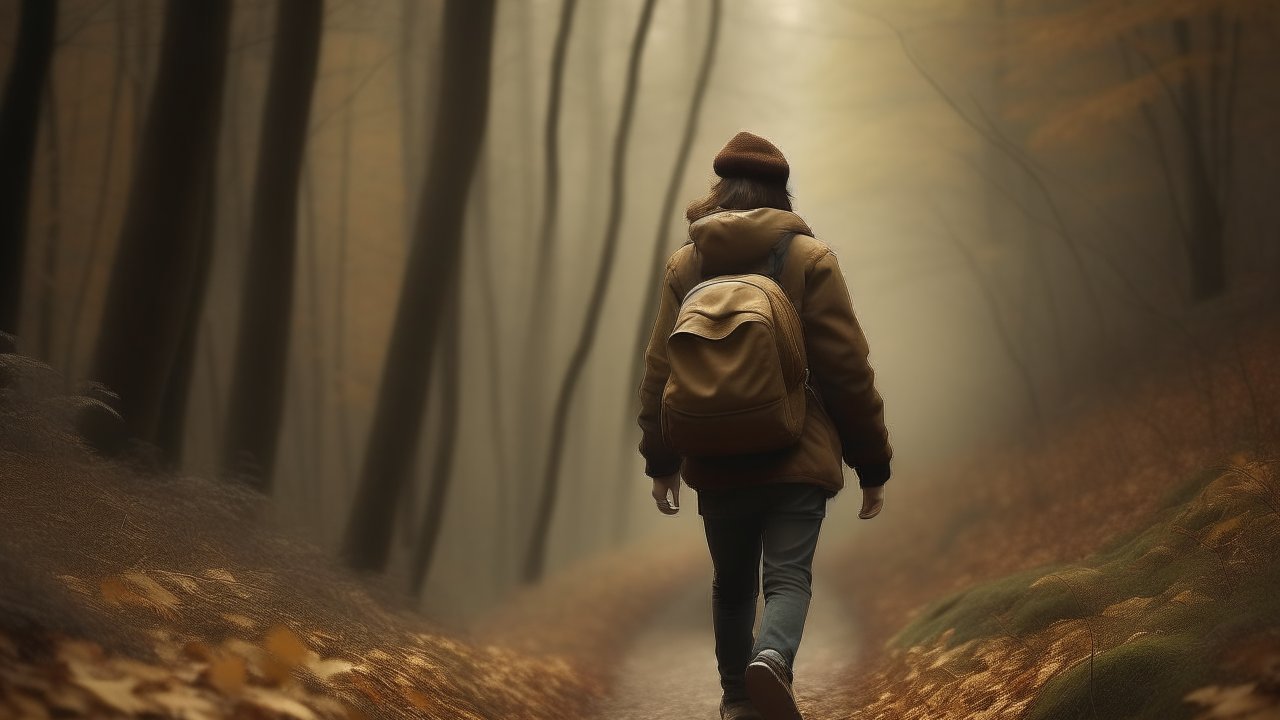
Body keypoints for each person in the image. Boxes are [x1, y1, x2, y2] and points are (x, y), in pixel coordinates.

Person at [636, 131, 893, 720]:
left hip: (715, 454)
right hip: (797, 449)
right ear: (782, 191)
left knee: (731, 587)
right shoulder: (808, 258)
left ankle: (735, 702)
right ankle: (772, 659)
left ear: (718, 191)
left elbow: (659, 370)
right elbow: (846, 370)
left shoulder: (687, 263)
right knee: (787, 579)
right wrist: (872, 464)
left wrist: (661, 461)